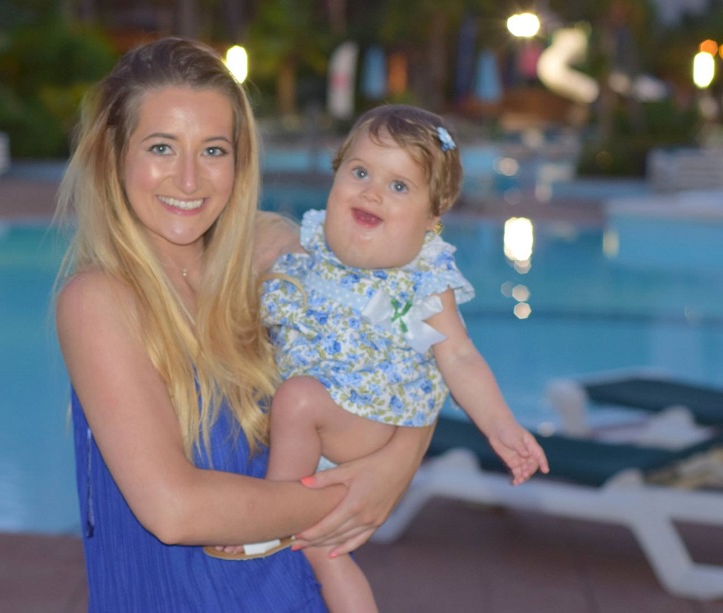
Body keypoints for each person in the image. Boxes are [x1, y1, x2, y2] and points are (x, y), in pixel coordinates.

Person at [54, 38, 436, 612]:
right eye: (162, 147)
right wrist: (355, 494)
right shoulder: (100, 301)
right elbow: (175, 510)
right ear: (113, 155)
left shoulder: (270, 254)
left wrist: (398, 462)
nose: (188, 180)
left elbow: (421, 333)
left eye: (212, 150)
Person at [209, 105, 550, 612]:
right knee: (327, 552)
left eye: (399, 187)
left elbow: (458, 355)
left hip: (369, 416)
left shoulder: (423, 278)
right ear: (337, 173)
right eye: (361, 172)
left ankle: (270, 518)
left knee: (299, 400)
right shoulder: (310, 244)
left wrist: (500, 426)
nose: (372, 192)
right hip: (329, 419)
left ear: (434, 215)